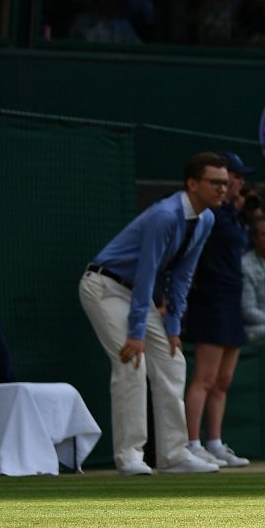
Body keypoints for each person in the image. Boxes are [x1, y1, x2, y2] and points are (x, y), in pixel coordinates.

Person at [79, 153, 227, 476]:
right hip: (105, 287)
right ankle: (130, 456)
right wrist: (136, 331)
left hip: (136, 296)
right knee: (132, 361)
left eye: (225, 184)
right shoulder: (165, 216)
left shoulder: (206, 220)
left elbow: (183, 275)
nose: (222, 190)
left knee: (173, 360)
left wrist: (173, 324)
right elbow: (147, 272)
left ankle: (174, 454)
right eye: (215, 183)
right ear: (192, 184)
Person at [180, 153, 259, 469]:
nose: (236, 183)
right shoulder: (209, 214)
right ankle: (192, 443)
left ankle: (213, 442)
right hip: (210, 299)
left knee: (223, 380)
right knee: (204, 378)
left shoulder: (230, 213)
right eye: (232, 178)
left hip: (232, 300)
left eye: (236, 179)